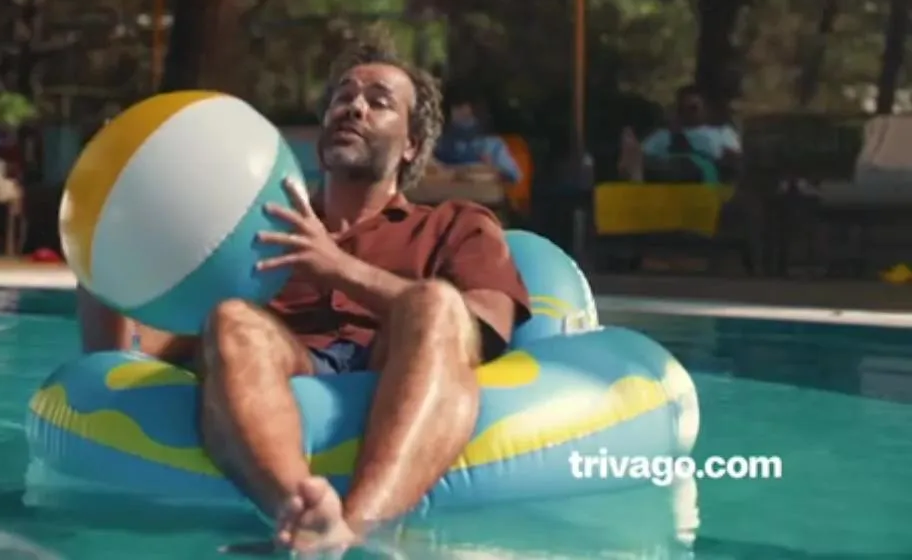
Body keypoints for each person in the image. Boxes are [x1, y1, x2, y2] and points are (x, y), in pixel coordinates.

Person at [79, 34, 531, 553]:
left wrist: (336, 267)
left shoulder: (456, 224)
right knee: (231, 318)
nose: (354, 107)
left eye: (379, 101)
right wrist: (109, 221)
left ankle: (357, 526)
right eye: (343, 96)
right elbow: (129, 354)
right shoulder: (251, 230)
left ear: (411, 145)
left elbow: (481, 325)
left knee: (436, 303)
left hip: (394, 356)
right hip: (289, 359)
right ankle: (302, 515)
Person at [624, 85, 741, 183]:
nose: (687, 112)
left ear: (705, 108)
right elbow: (639, 158)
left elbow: (734, 161)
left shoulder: (722, 133)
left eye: (693, 108)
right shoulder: (662, 135)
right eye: (682, 108)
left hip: (705, 181)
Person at [431, 98, 522, 183]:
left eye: (470, 109)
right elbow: (428, 169)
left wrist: (480, 175)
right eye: (459, 108)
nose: (465, 113)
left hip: (483, 193)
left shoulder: (493, 145)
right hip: (445, 193)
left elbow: (513, 175)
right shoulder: (441, 144)